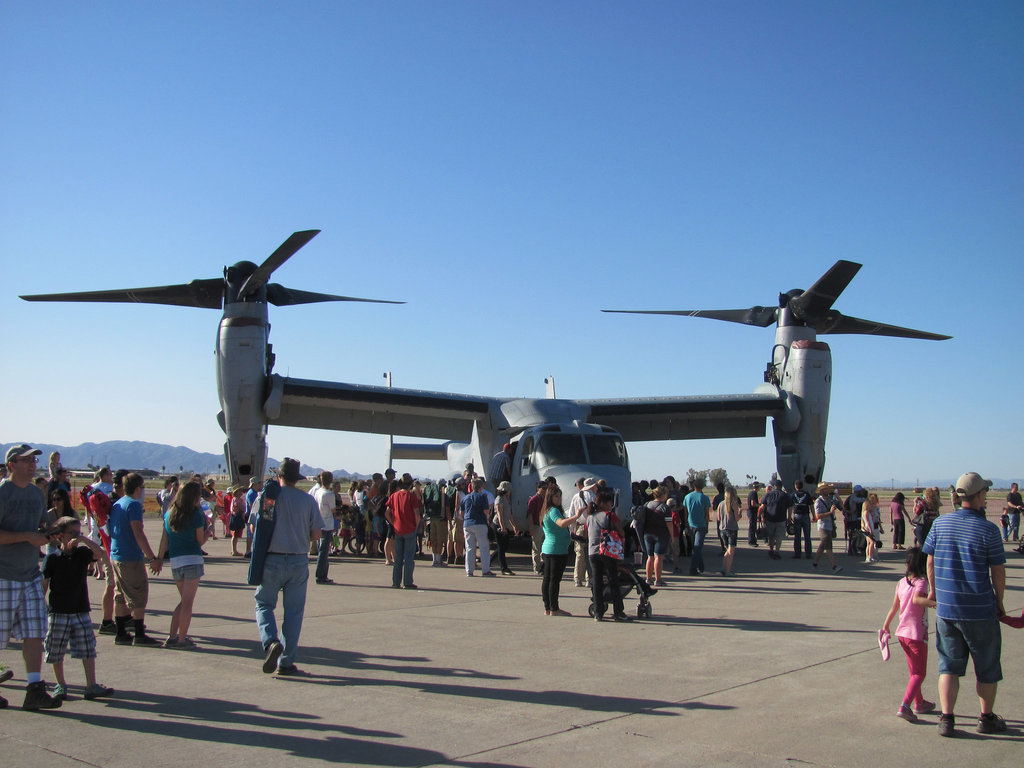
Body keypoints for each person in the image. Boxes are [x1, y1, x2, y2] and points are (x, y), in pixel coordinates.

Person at [923, 472, 1006, 737]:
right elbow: (998, 571)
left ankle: (947, 719)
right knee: (987, 667)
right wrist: (1000, 602)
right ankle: (986, 717)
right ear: (980, 496)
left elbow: (930, 561)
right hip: (980, 610)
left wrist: (935, 592)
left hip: (947, 610)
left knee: (948, 666)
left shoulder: (940, 524)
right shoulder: (990, 530)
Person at [0, 444, 62, 710]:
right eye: (26, 461)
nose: (32, 464)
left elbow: (40, 526)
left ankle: (34, 688)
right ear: (12, 464)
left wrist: (53, 531)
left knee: (35, 631)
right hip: (4, 575)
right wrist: (27, 537)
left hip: (30, 575)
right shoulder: (2, 493)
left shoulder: (37, 494)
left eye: (34, 460)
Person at [253, 457, 321, 676]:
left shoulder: (269, 498)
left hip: (272, 558)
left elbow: (256, 529)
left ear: (279, 476)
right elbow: (316, 534)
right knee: (293, 612)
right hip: (298, 560)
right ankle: (286, 662)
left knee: (263, 604)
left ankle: (270, 641)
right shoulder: (308, 500)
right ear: (297, 478)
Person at [42, 515, 115, 701]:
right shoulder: (52, 558)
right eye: (71, 533)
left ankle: (91, 685)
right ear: (60, 536)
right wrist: (41, 605)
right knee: (55, 649)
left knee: (87, 648)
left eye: (78, 532)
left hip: (80, 608)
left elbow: (100, 554)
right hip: (58, 610)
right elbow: (44, 583)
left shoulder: (82, 553)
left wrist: (83, 539)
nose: (75, 536)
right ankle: (61, 684)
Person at [880, 547, 936, 721]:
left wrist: (886, 625)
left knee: (914, 672)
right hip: (916, 634)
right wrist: (935, 603)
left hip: (902, 633)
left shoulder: (902, 582)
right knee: (920, 673)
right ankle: (905, 706)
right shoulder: (921, 582)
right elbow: (917, 600)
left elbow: (895, 606)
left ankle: (919, 702)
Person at [108, 472, 162, 647]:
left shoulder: (118, 503)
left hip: (116, 555)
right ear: (138, 488)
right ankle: (139, 634)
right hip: (130, 556)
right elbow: (138, 533)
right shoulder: (133, 505)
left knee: (120, 594)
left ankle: (121, 632)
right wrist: (151, 557)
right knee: (138, 595)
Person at [157, 480, 208, 648]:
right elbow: (199, 541)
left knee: (183, 601)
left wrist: (158, 558)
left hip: (176, 561)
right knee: (187, 603)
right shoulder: (196, 514)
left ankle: (173, 635)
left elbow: (164, 540)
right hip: (192, 559)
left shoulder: (169, 514)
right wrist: (207, 532)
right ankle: (181, 639)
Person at [586, 488, 631, 622]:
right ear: (604, 504)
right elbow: (621, 532)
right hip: (607, 551)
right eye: (610, 503)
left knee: (597, 582)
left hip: (592, 552)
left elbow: (585, 533)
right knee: (613, 581)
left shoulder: (589, 517)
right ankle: (618, 612)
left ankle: (598, 612)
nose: (611, 505)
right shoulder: (610, 516)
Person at [539, 485, 581, 616]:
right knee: (553, 580)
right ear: (550, 497)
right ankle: (554, 608)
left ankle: (548, 607)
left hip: (550, 548)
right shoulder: (553, 511)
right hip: (556, 550)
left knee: (548, 579)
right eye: (556, 496)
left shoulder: (546, 510)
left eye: (560, 496)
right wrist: (576, 516)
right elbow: (561, 523)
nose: (559, 499)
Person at [385, 476, 422, 589]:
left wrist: (393, 523)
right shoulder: (411, 497)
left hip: (398, 529)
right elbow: (417, 514)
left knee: (398, 558)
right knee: (409, 558)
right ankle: (407, 581)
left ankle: (396, 582)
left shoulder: (394, 496)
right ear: (410, 484)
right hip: (409, 529)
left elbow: (387, 513)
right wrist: (415, 526)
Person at [636, 485, 670, 586]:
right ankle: (658, 579)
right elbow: (669, 524)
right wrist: (672, 535)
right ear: (663, 495)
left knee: (650, 557)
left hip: (647, 533)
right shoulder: (665, 508)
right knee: (659, 557)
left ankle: (648, 578)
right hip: (661, 534)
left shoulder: (647, 504)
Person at [460, 478, 494, 577]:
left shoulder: (465, 498)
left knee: (470, 548)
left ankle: (469, 571)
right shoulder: (483, 496)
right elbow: (486, 511)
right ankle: (485, 570)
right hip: (480, 523)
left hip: (467, 523)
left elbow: (461, 513)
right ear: (481, 487)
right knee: (484, 547)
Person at [811, 482, 843, 574]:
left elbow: (841, 506)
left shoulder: (830, 499)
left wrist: (837, 496)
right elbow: (818, 516)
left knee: (822, 546)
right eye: (826, 489)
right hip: (823, 526)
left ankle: (814, 564)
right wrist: (830, 512)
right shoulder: (819, 501)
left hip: (830, 525)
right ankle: (834, 566)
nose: (828, 490)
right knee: (828, 546)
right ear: (821, 491)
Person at [311, 471, 336, 584]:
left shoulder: (318, 492)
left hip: (319, 522)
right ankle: (321, 576)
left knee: (323, 550)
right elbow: (333, 510)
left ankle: (322, 575)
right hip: (327, 524)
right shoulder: (329, 494)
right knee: (324, 551)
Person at [682, 480, 711, 575]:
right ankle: (693, 569)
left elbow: (685, 512)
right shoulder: (704, 498)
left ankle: (700, 566)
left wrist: (686, 524)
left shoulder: (687, 497)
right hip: (701, 525)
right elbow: (707, 514)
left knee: (696, 547)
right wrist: (707, 525)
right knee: (697, 547)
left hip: (691, 524)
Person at [761, 479, 792, 560]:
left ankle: (771, 550)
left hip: (770, 519)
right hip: (781, 519)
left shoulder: (768, 495)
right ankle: (777, 551)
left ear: (774, 486)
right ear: (781, 486)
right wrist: (789, 518)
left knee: (771, 536)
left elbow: (762, 507)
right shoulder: (785, 495)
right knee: (779, 537)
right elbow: (790, 507)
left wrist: (760, 516)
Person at [492, 481, 517, 576]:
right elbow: (499, 514)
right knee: (502, 547)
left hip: (505, 525)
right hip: (498, 525)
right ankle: (504, 568)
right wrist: (502, 527)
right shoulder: (499, 500)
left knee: (504, 546)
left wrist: (514, 525)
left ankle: (490, 559)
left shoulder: (506, 499)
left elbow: (509, 514)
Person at [716, 486, 741, 576]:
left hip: (722, 528)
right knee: (731, 550)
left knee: (727, 550)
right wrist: (740, 513)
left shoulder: (720, 504)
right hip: (732, 528)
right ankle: (728, 570)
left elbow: (718, 518)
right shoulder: (734, 504)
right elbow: (737, 518)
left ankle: (723, 568)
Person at [526, 480, 547, 574]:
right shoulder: (533, 499)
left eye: (546, 488)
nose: (545, 490)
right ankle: (537, 567)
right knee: (536, 548)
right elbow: (530, 514)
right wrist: (531, 527)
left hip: (544, 526)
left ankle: (543, 565)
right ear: (538, 489)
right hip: (536, 526)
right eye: (543, 488)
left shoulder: (545, 499)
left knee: (545, 547)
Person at [790, 480, 814, 559]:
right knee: (807, 536)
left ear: (795, 486)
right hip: (806, 515)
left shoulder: (793, 494)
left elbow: (790, 506)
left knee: (797, 536)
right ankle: (808, 554)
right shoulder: (806, 494)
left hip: (797, 516)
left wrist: (789, 516)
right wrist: (814, 515)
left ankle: (797, 554)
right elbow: (811, 505)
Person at [861, 492, 882, 564]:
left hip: (871, 528)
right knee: (871, 543)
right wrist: (870, 530)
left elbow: (877, 519)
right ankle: (869, 557)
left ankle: (871, 556)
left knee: (871, 543)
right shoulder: (866, 512)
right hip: (868, 529)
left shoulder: (871, 511)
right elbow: (867, 522)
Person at [745, 483, 761, 547]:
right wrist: (759, 505)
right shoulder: (754, 494)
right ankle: (751, 541)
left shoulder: (751, 493)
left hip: (751, 512)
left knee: (753, 527)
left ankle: (753, 540)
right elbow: (753, 504)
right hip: (752, 512)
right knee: (752, 527)